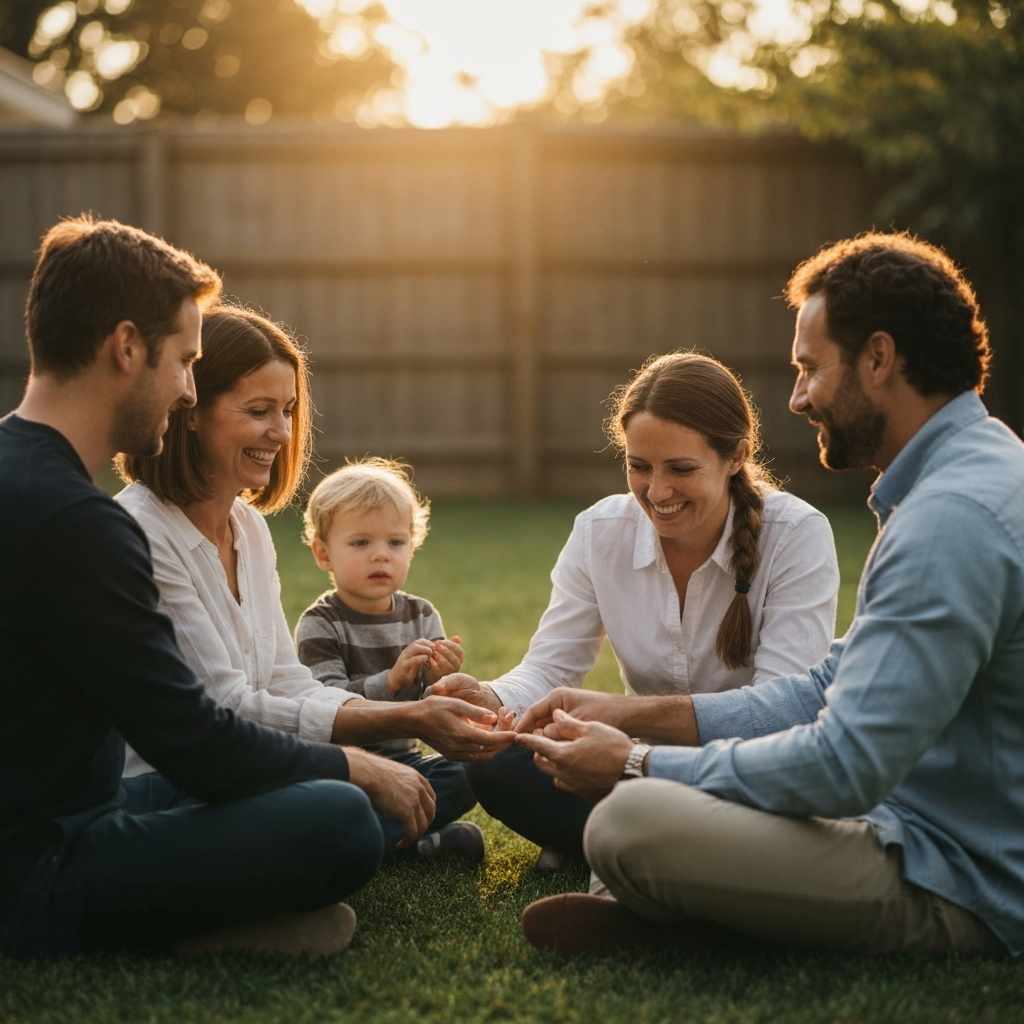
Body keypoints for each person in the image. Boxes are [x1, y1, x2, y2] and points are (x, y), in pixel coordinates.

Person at [0, 217, 506, 959]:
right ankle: (183, 934)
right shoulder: (84, 523)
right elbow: (198, 740)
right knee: (334, 817)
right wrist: (354, 760)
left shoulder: (29, 480)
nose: (182, 389)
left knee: (355, 795)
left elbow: (253, 700)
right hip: (38, 864)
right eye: (183, 362)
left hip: (88, 804)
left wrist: (394, 731)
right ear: (126, 347)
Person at [513, 232, 1022, 959]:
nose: (798, 396)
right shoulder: (972, 477)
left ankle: (708, 926)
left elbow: (843, 766)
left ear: (878, 359)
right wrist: (629, 719)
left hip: (961, 878)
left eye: (811, 369)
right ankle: (697, 907)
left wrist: (635, 762)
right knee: (633, 807)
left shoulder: (953, 520)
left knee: (629, 823)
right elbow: (822, 686)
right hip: (910, 827)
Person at [115, 316, 503, 861]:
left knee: (381, 797)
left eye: (289, 411)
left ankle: (356, 842)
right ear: (191, 411)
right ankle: (364, 844)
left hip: (248, 769)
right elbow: (225, 709)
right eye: (258, 411)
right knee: (338, 811)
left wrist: (423, 719)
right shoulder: (139, 532)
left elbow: (285, 681)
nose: (282, 432)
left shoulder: (247, 529)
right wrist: (403, 722)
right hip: (161, 788)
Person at [436, 353, 840, 866]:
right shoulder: (599, 531)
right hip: (629, 772)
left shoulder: (797, 534)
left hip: (738, 777)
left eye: (681, 469)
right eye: (638, 466)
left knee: (772, 801)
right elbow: (552, 666)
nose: (657, 491)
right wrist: (489, 698)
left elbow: (781, 714)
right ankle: (646, 845)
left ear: (736, 456)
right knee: (497, 764)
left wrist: (626, 717)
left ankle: (613, 842)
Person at [296, 458, 486, 861]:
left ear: (411, 547)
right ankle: (399, 846)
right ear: (323, 553)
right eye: (361, 543)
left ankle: (390, 844)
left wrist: (441, 677)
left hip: (408, 760)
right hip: (348, 769)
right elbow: (323, 700)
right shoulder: (320, 623)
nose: (381, 556)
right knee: (329, 806)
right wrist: (392, 679)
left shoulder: (421, 615)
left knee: (470, 772)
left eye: (395, 543)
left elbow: (429, 702)